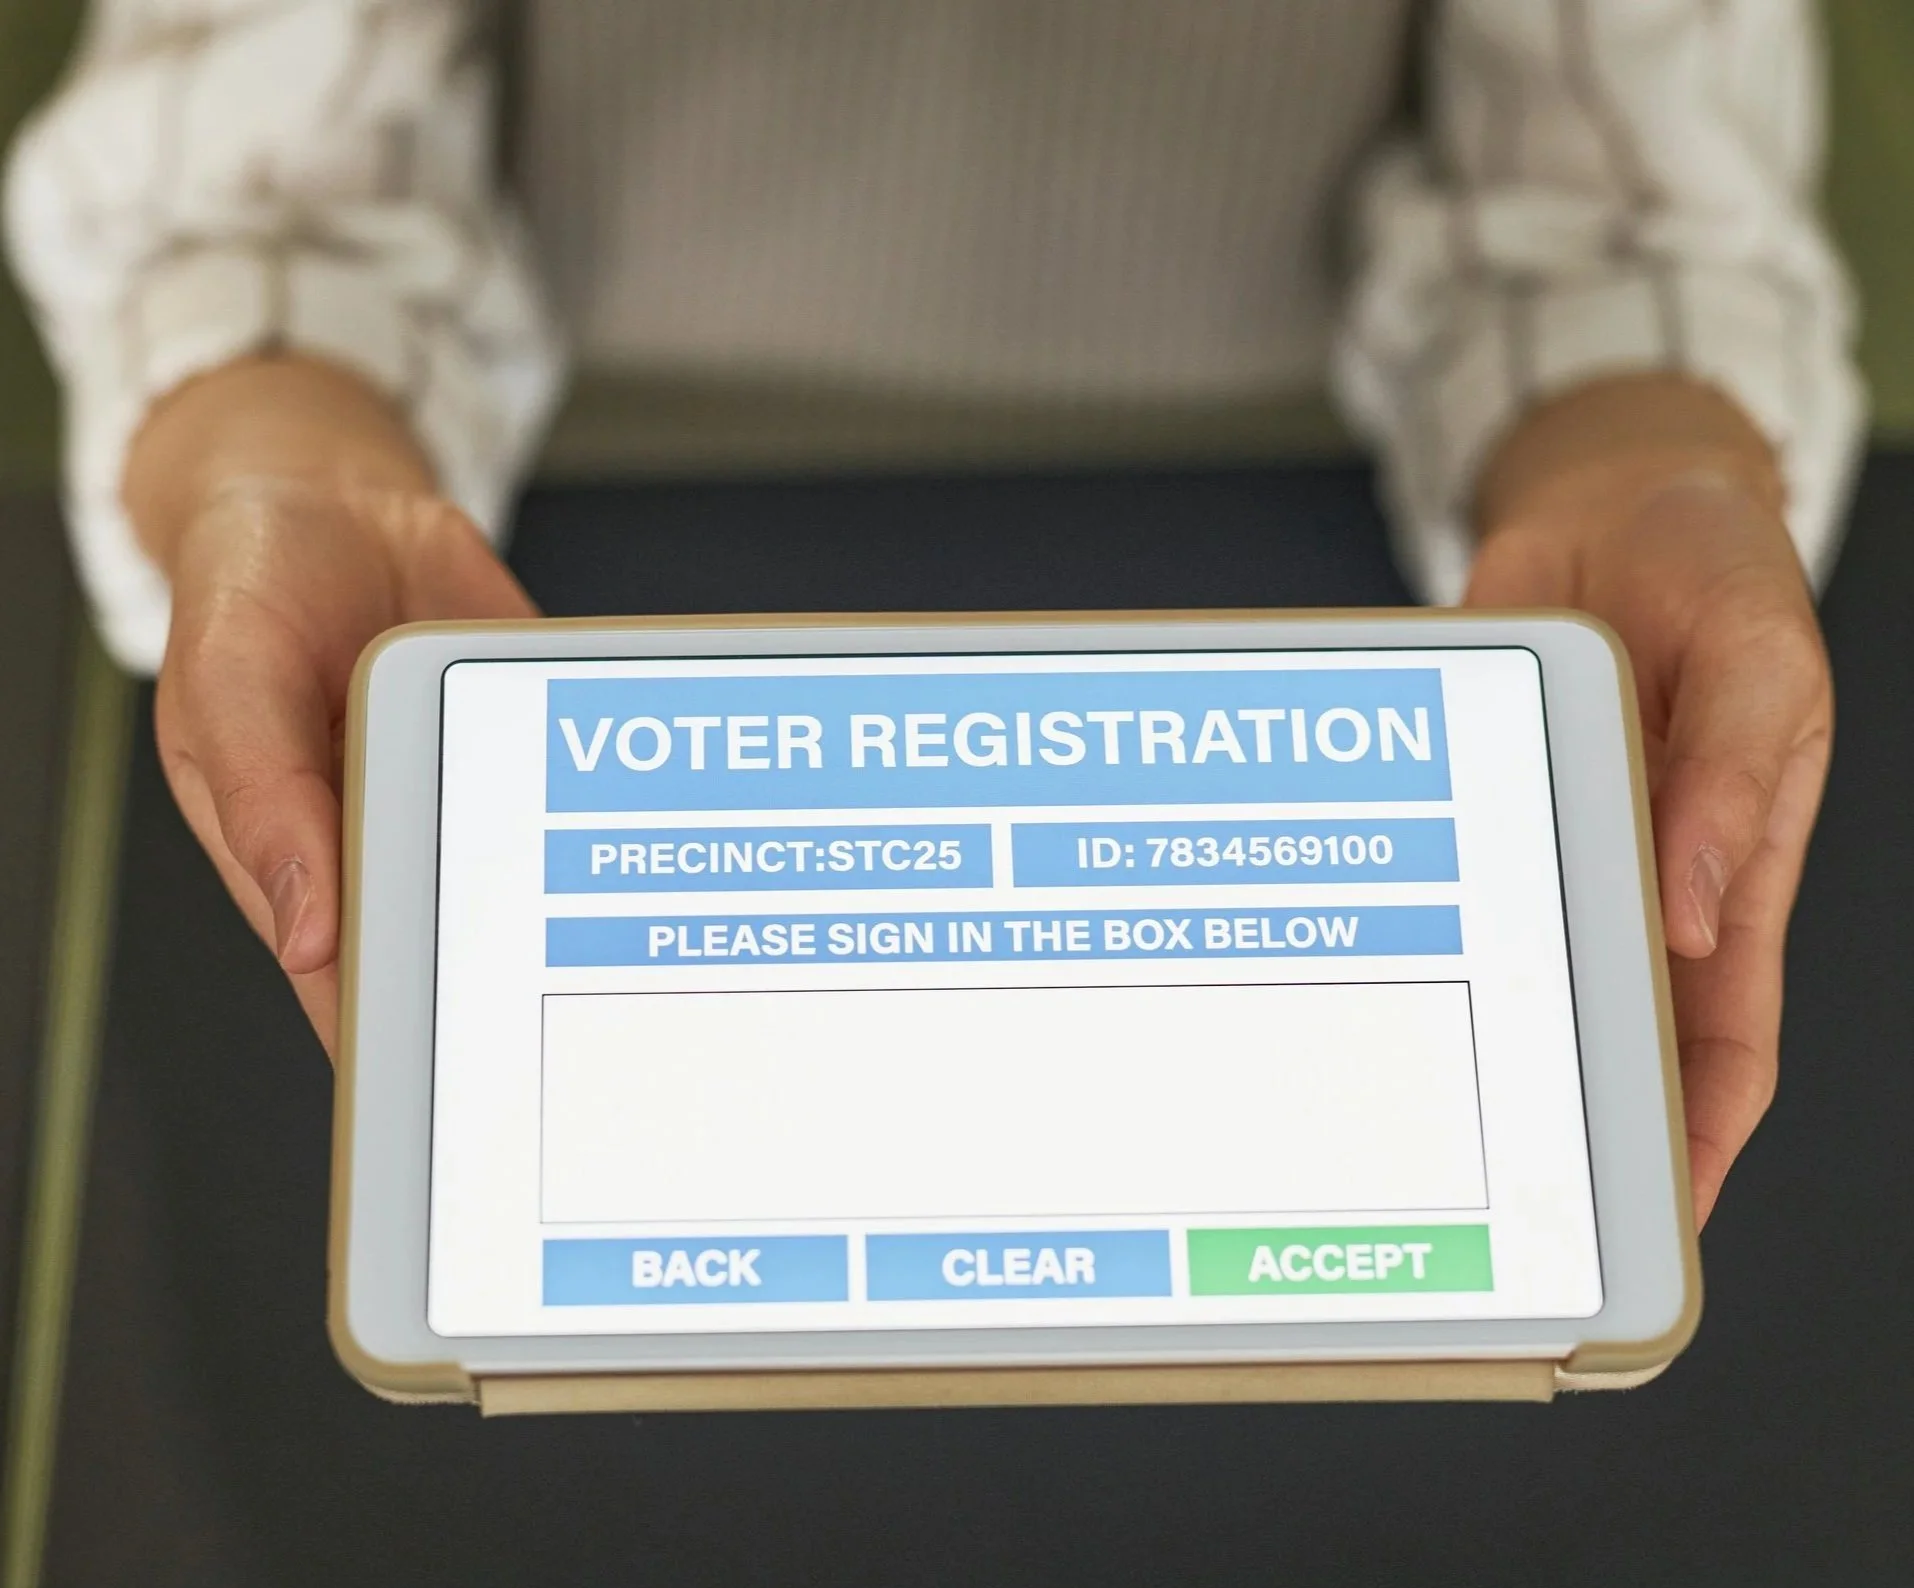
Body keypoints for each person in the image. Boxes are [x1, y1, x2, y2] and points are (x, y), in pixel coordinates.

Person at [5, 0, 1857, 1229]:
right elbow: (259, 187)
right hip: (522, 563)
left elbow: (1619, 213)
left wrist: (1638, 469)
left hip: (1361, 562)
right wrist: (284, 468)